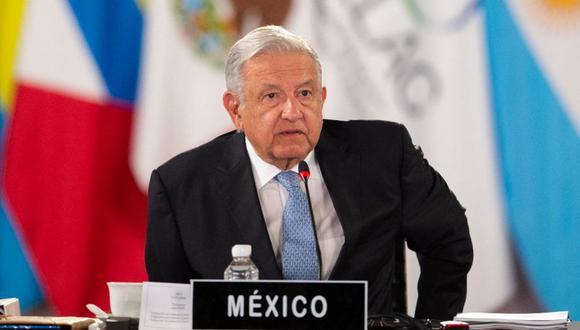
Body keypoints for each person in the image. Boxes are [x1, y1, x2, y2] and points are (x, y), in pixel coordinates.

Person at [145, 25, 473, 320]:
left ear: (322, 98)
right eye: (271, 96)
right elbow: (172, 308)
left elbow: (449, 240)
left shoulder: (383, 154)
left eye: (304, 94)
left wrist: (431, 325)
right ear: (236, 109)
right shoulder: (181, 187)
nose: (292, 112)